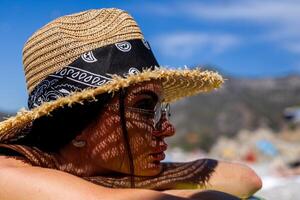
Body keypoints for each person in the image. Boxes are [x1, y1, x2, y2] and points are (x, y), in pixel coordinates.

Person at [0, 8, 262, 200]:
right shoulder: (6, 174)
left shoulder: (96, 168)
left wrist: (111, 183)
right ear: (77, 123)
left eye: (161, 108)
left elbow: (246, 178)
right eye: (145, 106)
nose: (167, 128)